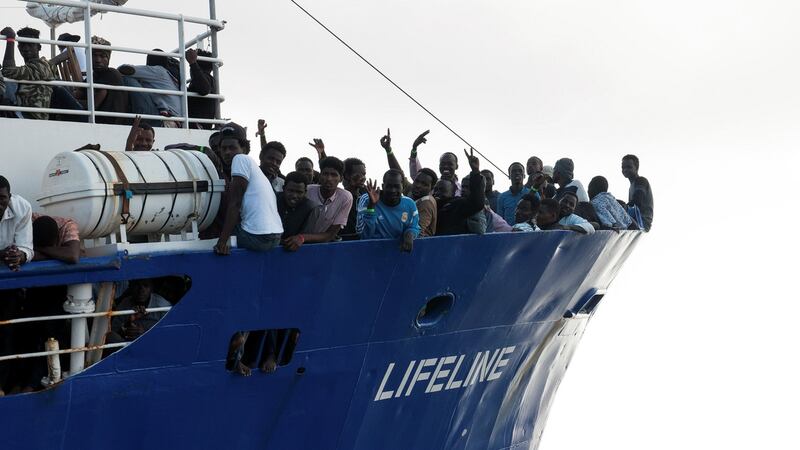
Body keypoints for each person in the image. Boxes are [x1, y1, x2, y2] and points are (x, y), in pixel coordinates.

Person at [213, 125, 283, 255]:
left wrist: (222, 241)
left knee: (213, 232)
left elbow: (236, 203)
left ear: (244, 149)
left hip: (258, 238)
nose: (227, 152)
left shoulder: (240, 159)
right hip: (276, 237)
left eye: (232, 147)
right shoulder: (256, 169)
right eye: (223, 148)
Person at [0, 176, 32, 396]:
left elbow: (26, 247)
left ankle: (2, 386)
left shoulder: (21, 207)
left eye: (2, 198)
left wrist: (19, 255)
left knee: (6, 334)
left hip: (8, 284)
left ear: (9, 198)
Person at [356, 170, 420, 252]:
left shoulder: (409, 204)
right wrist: (371, 206)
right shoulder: (367, 199)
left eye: (396, 186)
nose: (393, 190)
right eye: (389, 186)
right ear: (383, 186)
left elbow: (414, 227)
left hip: (397, 253)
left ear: (402, 187)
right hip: (371, 252)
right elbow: (364, 235)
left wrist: (410, 234)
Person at [1, 26, 55, 120]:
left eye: (30, 45)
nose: (26, 48)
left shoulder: (42, 66)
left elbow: (8, 71)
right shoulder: (29, 68)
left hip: (30, 117)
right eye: (22, 45)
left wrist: (10, 40)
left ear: (39, 47)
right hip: (22, 112)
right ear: (19, 47)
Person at [76, 36, 128, 125]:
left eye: (102, 56)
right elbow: (78, 93)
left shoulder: (111, 74)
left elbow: (94, 104)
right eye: (94, 55)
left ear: (108, 58)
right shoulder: (94, 75)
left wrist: (74, 102)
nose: (98, 60)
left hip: (105, 122)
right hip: (97, 119)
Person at [118, 50, 183, 120]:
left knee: (126, 79)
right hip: (173, 120)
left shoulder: (158, 70)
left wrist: (114, 73)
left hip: (164, 119)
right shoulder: (169, 78)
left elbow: (126, 70)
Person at [434, 149, 485, 235]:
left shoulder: (457, 204)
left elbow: (477, 203)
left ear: (453, 192)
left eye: (442, 190)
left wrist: (475, 172)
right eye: (435, 189)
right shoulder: (430, 204)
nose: (437, 192)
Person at [303, 156, 353, 243]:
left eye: (334, 175)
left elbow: (330, 235)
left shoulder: (345, 198)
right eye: (325, 174)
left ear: (341, 178)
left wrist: (302, 238)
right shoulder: (307, 191)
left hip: (323, 244)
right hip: (297, 241)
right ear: (320, 175)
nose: (329, 179)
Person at [408, 130, 462, 195]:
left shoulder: (462, 189)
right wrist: (414, 148)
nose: (445, 166)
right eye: (443, 164)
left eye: (450, 164)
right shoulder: (432, 184)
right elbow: (416, 173)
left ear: (457, 166)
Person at [277, 171, 316, 252]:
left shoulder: (310, 208)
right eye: (290, 191)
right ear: (283, 188)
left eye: (299, 192)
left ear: (305, 192)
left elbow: (305, 237)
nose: (294, 196)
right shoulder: (272, 200)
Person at [186, 48, 217, 129]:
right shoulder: (209, 79)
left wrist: (193, 64)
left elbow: (204, 89)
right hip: (199, 125)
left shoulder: (206, 78)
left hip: (198, 126)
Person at [621, 154, 654, 231]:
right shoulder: (632, 186)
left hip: (642, 222)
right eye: (623, 167)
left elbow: (637, 201)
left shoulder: (641, 181)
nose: (625, 170)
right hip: (636, 220)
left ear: (636, 168)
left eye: (629, 167)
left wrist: (621, 207)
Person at [339, 157, 366, 240]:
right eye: (358, 174)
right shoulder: (339, 197)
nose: (363, 178)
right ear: (346, 175)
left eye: (364, 174)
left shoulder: (368, 196)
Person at [409, 168, 438, 237]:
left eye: (424, 184)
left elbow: (418, 231)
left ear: (432, 188)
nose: (418, 185)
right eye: (417, 181)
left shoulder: (426, 203)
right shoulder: (414, 193)